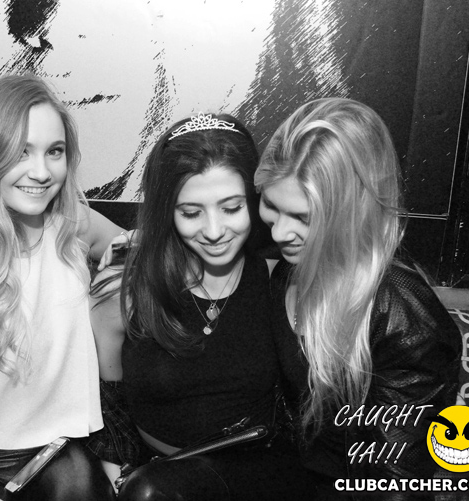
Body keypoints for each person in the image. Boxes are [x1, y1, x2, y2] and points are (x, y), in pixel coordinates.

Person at [90, 113, 312, 500]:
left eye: (231, 208)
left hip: (258, 472)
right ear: (167, 211)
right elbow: (110, 402)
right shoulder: (124, 289)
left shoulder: (280, 279)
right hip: (155, 478)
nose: (213, 231)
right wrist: (118, 475)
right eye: (191, 213)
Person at [0, 74, 121, 501]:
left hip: (67, 450)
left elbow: (140, 249)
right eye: (20, 152)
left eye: (55, 152)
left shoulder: (72, 225)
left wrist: (118, 278)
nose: (41, 172)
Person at [254, 98, 463, 498]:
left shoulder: (403, 315)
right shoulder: (290, 267)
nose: (279, 232)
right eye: (271, 205)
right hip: (293, 474)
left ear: (352, 213)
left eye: (303, 217)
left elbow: (397, 480)